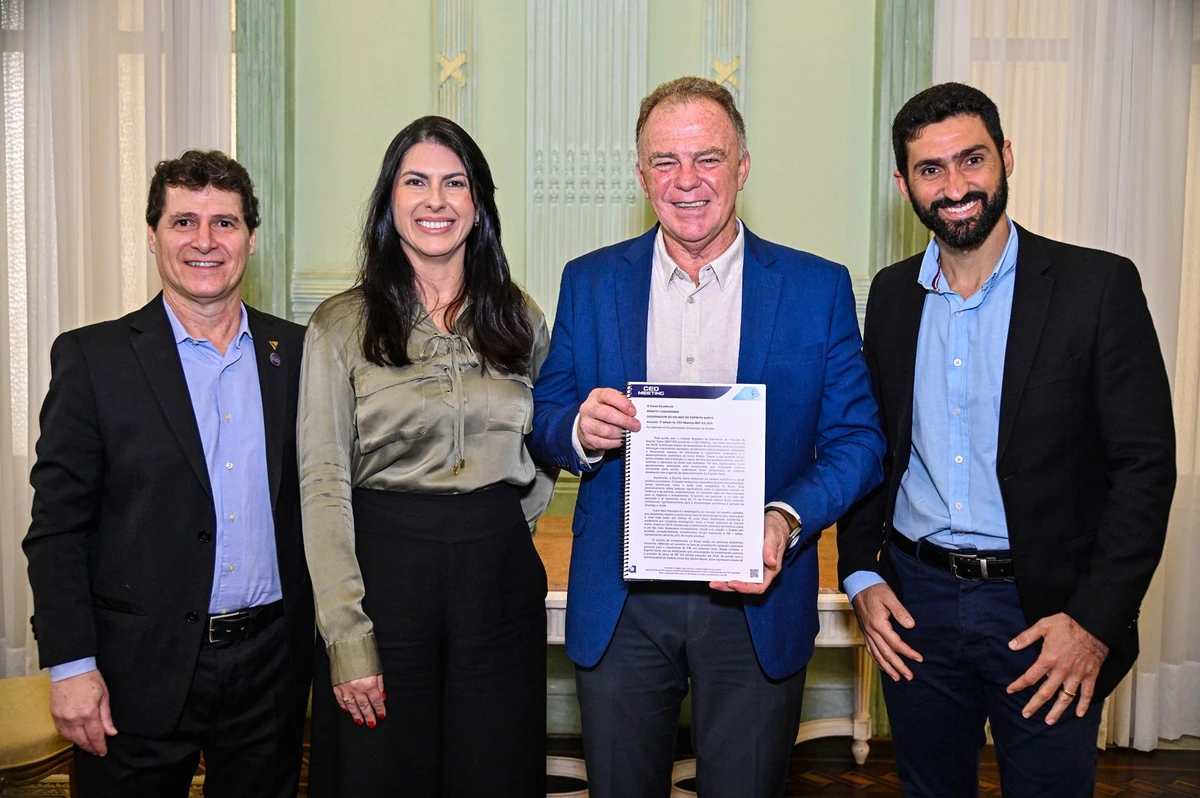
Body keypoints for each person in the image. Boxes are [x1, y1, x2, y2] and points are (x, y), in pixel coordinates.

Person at [528, 76, 885, 798]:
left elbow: (859, 441)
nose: (686, 180)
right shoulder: (589, 282)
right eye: (665, 161)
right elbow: (545, 416)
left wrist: (784, 518)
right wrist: (579, 430)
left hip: (755, 599)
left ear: (743, 167)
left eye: (708, 158)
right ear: (641, 176)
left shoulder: (817, 288)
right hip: (621, 602)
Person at [838, 82, 1176, 796]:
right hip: (917, 604)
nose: (956, 187)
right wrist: (861, 573)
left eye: (973, 160)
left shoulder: (1096, 287)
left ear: (1006, 157)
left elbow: (1144, 469)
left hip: (1046, 610)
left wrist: (1094, 622)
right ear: (903, 184)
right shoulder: (892, 297)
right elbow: (873, 444)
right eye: (931, 169)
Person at [23, 150, 313, 797]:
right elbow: (57, 530)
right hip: (133, 672)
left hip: (270, 669)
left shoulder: (299, 354)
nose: (204, 241)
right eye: (184, 222)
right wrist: (70, 665)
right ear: (153, 236)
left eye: (224, 223)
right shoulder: (93, 359)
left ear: (251, 239)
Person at [298, 115, 556, 797]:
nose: (435, 200)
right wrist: (345, 634)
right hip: (385, 575)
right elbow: (322, 483)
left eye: (454, 183)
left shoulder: (521, 317)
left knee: (495, 773)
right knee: (383, 774)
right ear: (390, 201)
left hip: (499, 578)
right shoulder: (340, 324)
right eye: (415, 182)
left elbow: (547, 441)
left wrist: (504, 525)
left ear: (478, 204)